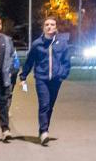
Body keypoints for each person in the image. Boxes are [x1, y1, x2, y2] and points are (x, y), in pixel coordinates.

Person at [20, 17, 71, 145]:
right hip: (41, 79)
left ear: (56, 27)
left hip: (55, 80)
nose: (49, 26)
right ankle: (44, 131)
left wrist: (62, 75)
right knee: (44, 104)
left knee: (50, 107)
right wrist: (23, 76)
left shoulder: (62, 43)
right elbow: (30, 61)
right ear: (43, 27)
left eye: (52, 24)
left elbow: (66, 61)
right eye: (47, 24)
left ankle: (43, 129)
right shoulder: (38, 44)